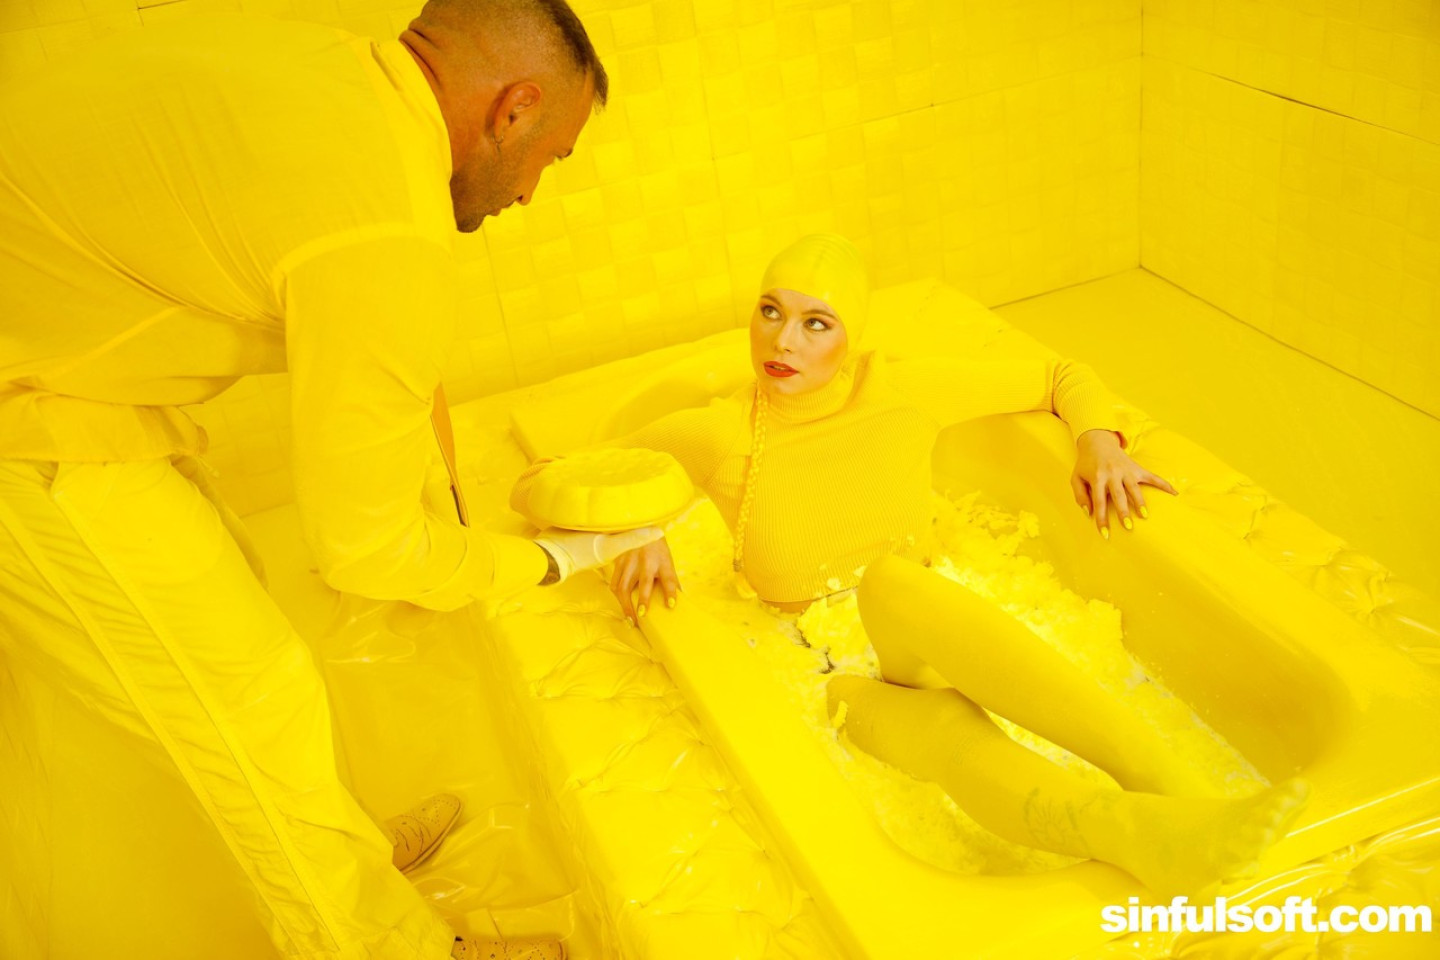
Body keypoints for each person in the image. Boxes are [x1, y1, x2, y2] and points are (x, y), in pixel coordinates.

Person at [0, 2, 657, 958]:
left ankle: (340, 861)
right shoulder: (387, 223)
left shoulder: (325, 68)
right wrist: (556, 558)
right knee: (247, 708)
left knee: (250, 634)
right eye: (550, 159)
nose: (528, 195)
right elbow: (365, 551)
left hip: (71, 383)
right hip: (30, 430)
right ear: (513, 109)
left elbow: (397, 372)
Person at [510, 233, 1310, 898]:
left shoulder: (901, 392)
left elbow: (1061, 377)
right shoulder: (720, 434)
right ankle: (1140, 832)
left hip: (920, 619)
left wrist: (1100, 440)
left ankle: (1173, 789)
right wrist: (634, 521)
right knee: (942, 733)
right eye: (770, 312)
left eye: (816, 323)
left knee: (894, 582)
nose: (783, 342)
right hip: (821, 673)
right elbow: (545, 478)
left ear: (851, 336)